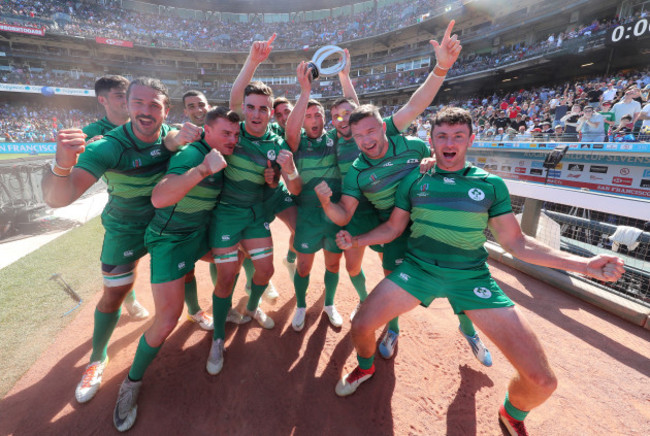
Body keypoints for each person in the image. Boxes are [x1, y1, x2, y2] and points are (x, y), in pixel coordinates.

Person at [333, 106, 625, 436]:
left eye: (458, 136)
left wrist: (584, 265)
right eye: (442, 136)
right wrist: (355, 239)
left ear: (471, 139)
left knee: (543, 381)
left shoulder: (491, 185)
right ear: (431, 140)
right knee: (360, 325)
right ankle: (367, 367)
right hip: (417, 270)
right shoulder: (415, 179)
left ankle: (511, 412)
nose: (449, 142)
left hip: (471, 279)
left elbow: (518, 243)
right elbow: (392, 229)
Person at [315, 20, 491, 365]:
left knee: (457, 276)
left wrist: (441, 67)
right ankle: (392, 328)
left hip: (429, 219)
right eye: (358, 135)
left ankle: (469, 329)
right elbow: (343, 214)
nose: (366, 139)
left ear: (382, 126)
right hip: (392, 226)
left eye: (371, 131)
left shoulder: (403, 138)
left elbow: (416, 102)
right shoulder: (357, 172)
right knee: (392, 281)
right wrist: (325, 200)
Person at [42, 77, 197, 405]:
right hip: (125, 227)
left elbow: (169, 141)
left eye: (154, 105)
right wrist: (62, 165)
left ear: (165, 110)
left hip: (165, 224)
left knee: (185, 270)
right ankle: (97, 359)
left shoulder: (171, 134)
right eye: (137, 103)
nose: (145, 111)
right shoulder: (108, 145)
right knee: (114, 293)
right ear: (126, 106)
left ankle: (195, 311)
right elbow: (61, 197)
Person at [113, 107, 240, 432]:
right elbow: (159, 197)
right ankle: (131, 382)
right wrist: (201, 170)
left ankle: (218, 323)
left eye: (236, 135)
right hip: (171, 239)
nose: (233, 140)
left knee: (235, 257)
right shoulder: (192, 155)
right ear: (206, 131)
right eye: (226, 133)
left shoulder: (221, 154)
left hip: (199, 235)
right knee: (168, 318)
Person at [207, 79, 302, 374]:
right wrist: (252, 60)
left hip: (256, 213)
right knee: (226, 276)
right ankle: (218, 337)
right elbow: (233, 99)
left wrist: (279, 176)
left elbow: (285, 185)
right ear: (243, 108)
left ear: (271, 113)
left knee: (265, 270)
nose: (256, 114)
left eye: (263, 109)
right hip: (227, 213)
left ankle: (251, 307)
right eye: (251, 107)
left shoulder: (277, 143)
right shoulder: (233, 134)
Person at [284, 48, 363, 331]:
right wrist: (304, 93)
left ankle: (329, 304)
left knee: (333, 265)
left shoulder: (335, 140)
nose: (315, 120)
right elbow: (290, 133)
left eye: (318, 115)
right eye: (308, 116)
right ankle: (302, 305)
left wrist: (345, 75)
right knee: (304, 267)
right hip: (307, 214)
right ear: (303, 120)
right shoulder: (297, 143)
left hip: (335, 213)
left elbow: (357, 113)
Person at [83, 75, 149, 320]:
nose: (126, 101)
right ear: (103, 100)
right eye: (119, 96)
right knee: (126, 260)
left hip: (160, 205)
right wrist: (87, 152)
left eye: (127, 95)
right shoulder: (91, 134)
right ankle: (130, 300)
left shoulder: (146, 122)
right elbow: (71, 172)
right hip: (125, 208)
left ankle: (191, 307)